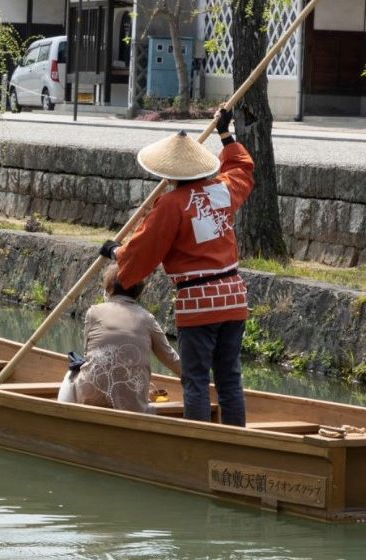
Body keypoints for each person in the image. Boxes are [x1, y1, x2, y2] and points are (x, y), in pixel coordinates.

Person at [98, 107, 254, 426]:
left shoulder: (171, 205)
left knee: (194, 380)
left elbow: (143, 250)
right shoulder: (221, 191)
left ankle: (195, 441)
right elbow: (240, 169)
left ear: (171, 174)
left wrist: (115, 251)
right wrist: (226, 134)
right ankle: (238, 441)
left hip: (198, 303)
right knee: (229, 380)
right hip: (234, 298)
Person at [71, 264, 181, 412]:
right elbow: (169, 358)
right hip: (131, 405)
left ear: (109, 289)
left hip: (90, 398)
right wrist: (194, 379)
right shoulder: (147, 319)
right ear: (138, 293)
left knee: (73, 372)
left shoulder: (93, 313)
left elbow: (87, 354)